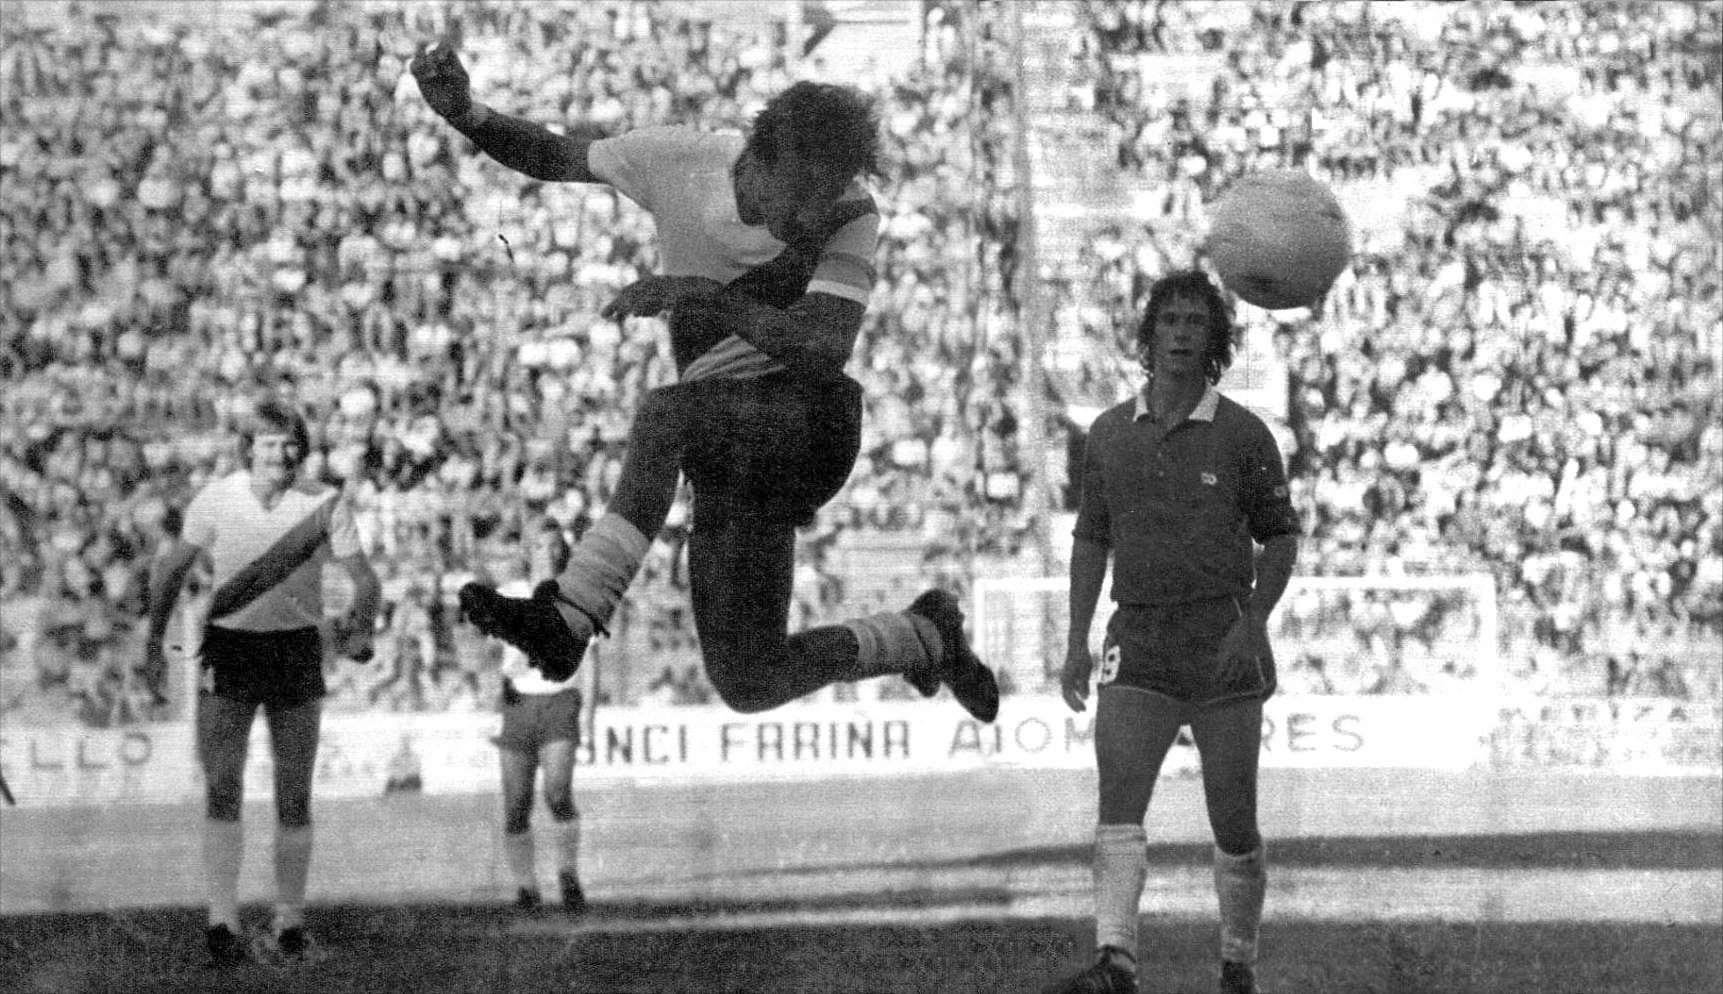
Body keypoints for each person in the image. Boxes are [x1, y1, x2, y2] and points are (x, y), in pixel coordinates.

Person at [410, 43, 998, 722]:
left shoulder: (849, 209)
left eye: (820, 202)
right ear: (759, 156)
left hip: (806, 425)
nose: (806, 220)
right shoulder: (680, 162)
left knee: (666, 415)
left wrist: (702, 296)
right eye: (798, 197)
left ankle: (570, 617)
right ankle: (923, 636)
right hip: (722, 447)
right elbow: (555, 154)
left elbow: (822, 350)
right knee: (749, 679)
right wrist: (467, 114)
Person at [1044, 271, 1301, 994]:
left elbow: (1281, 538)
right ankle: (1116, 960)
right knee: (1118, 803)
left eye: (1196, 322)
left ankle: (1238, 963)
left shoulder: (1244, 434)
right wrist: (1076, 639)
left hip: (1220, 640)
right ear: (1149, 335)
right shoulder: (1107, 434)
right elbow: (1090, 540)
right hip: (1139, 639)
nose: (1182, 333)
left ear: (1214, 340)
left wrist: (1254, 623)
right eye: (1170, 320)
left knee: (1234, 819)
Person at [145, 396, 381, 967]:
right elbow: (172, 569)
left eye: (290, 443)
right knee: (222, 783)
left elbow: (366, 580)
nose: (281, 454)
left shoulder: (324, 503)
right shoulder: (217, 498)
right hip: (230, 649)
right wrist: (153, 645)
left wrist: (360, 627)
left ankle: (290, 920)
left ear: (303, 449)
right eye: (270, 443)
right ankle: (222, 920)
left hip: (295, 649)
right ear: (248, 449)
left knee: (294, 793)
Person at [489, 518, 588, 913]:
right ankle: (526, 886)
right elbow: (489, 653)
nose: (550, 553)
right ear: (528, 552)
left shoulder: (575, 596)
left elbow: (591, 658)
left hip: (559, 700)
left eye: (556, 545)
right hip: (517, 702)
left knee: (558, 793)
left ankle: (568, 874)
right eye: (542, 546)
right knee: (516, 805)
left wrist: (590, 715)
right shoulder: (509, 594)